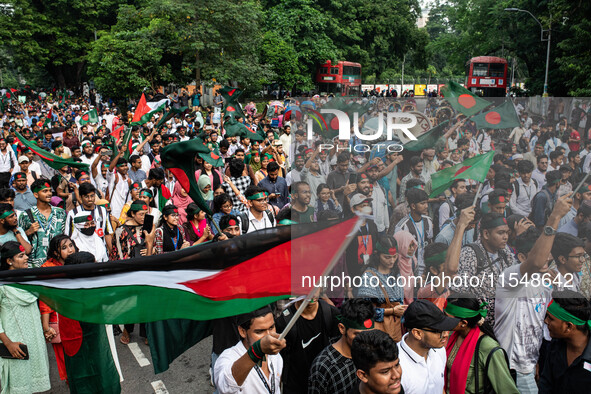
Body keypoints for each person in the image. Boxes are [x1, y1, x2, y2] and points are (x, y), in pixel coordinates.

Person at [0, 241, 51, 393]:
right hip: (16, 344)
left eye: (25, 255)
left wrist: (45, 329)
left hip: (35, 342)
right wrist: (8, 343)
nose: (26, 258)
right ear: (9, 261)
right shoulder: (2, 285)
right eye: (21, 256)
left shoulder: (30, 279)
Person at [444, 293, 519, 394]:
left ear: (463, 323)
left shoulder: (487, 346)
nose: (442, 320)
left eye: (447, 317)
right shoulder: (451, 337)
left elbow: (507, 390)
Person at [452, 212, 518, 324]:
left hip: (504, 319)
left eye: (507, 232)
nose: (505, 237)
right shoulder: (470, 253)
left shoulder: (504, 250)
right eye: (501, 233)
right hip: (482, 323)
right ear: (486, 234)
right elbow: (459, 291)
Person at [275, 293, 339, 394]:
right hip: (296, 386)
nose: (310, 293)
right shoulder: (284, 322)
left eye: (314, 286)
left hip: (324, 384)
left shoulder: (331, 313)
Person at [308, 299, 375, 394]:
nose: (365, 341)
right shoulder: (324, 366)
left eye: (369, 334)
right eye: (357, 335)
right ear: (342, 328)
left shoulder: (370, 353)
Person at [214, 306, 286, 394]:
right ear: (242, 331)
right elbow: (226, 386)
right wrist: (257, 350)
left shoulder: (276, 357)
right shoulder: (228, 358)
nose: (268, 336)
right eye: (259, 332)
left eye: (271, 328)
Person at [397, 299, 460, 394]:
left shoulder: (439, 351)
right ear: (417, 333)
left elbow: (439, 387)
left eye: (446, 329)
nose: (446, 334)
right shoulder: (395, 365)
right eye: (439, 331)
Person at [39, 234, 77, 383]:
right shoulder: (47, 269)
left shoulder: (77, 262)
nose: (70, 250)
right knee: (64, 355)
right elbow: (46, 300)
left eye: (71, 245)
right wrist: (46, 327)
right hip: (59, 318)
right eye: (64, 247)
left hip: (78, 315)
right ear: (55, 252)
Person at [357, 235, 407, 341]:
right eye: (387, 257)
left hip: (395, 329)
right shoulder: (369, 277)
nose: (392, 261)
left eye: (394, 257)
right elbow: (364, 310)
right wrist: (391, 311)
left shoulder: (396, 273)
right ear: (377, 254)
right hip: (377, 332)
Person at [540, 290, 591, 392]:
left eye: (551, 318)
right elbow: (545, 385)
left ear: (568, 326)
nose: (546, 321)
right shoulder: (555, 346)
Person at [18, 178, 66, 268]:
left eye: (50, 191)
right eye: (45, 191)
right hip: (34, 265)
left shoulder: (60, 213)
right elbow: (19, 240)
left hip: (56, 263)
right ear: (36, 194)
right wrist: (28, 232)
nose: (49, 194)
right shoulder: (26, 214)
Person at [350, 329, 403, 394]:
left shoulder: (393, 387)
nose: (397, 375)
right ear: (363, 375)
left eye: (397, 365)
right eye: (385, 372)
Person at [394, 188, 433, 275]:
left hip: (426, 269)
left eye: (426, 202)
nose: (426, 206)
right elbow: (400, 253)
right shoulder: (402, 226)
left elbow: (430, 242)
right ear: (413, 206)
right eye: (422, 203)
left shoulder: (428, 221)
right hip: (410, 270)